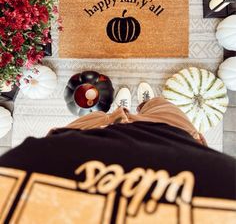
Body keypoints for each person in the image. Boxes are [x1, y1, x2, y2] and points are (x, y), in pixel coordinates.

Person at [0, 83, 235, 224]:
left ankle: (118, 114)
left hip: (84, 135)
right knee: (162, 108)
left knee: (101, 118)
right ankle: (145, 106)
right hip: (171, 134)